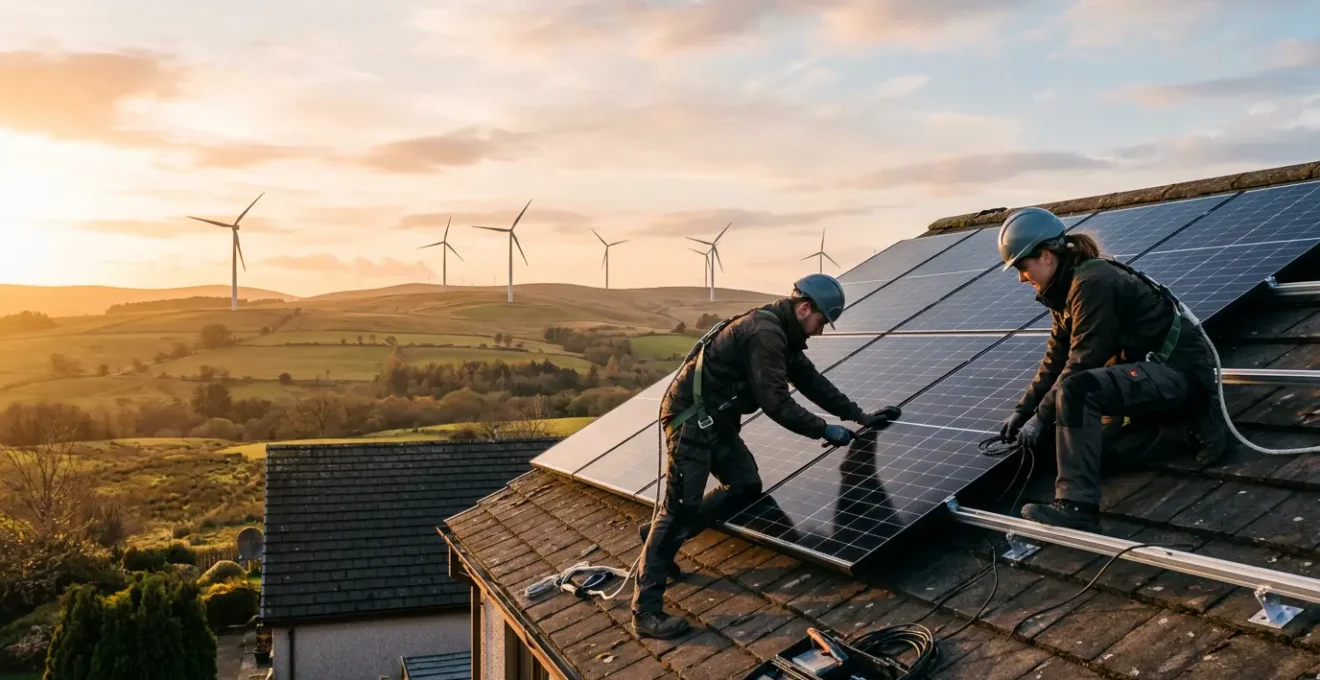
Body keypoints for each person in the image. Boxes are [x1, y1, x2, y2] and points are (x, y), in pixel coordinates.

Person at [631, 273, 901, 639]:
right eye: (821, 321)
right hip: (690, 421)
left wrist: (859, 415)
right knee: (679, 508)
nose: (820, 331)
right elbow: (776, 403)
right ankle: (645, 612)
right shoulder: (764, 333)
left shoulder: (783, 334)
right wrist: (824, 430)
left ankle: (658, 539)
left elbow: (812, 382)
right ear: (804, 308)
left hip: (716, 423)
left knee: (745, 484)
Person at [997, 207, 1229, 533]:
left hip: (1180, 376)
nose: (1022, 277)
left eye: (1023, 267)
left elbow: (1083, 360)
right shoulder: (1064, 291)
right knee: (1090, 454)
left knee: (1075, 391)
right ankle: (1187, 431)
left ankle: (1076, 508)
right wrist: (1023, 411)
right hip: (1149, 380)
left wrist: (1040, 418)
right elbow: (1055, 358)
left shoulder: (1092, 283)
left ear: (1046, 256)